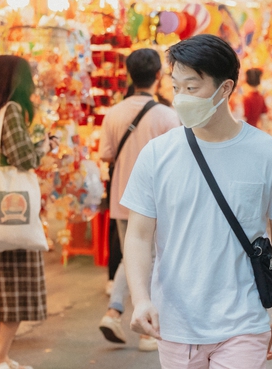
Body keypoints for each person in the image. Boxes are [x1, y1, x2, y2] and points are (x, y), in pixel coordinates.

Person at [122, 34, 272, 368]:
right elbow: (138, 234)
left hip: (244, 320)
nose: (181, 98)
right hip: (175, 323)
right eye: (176, 88)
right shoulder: (158, 154)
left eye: (192, 88)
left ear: (225, 88)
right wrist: (141, 298)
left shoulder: (270, 153)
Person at [0, 55, 58, 369]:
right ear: (18, 80)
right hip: (13, 217)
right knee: (16, 293)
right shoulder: (13, 110)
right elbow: (24, 158)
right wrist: (45, 145)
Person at [97, 48, 179, 350]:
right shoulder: (168, 116)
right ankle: (146, 330)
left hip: (121, 197)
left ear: (130, 76)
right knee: (152, 259)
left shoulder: (114, 113)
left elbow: (105, 154)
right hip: (157, 201)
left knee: (132, 255)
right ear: (158, 76)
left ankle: (115, 311)